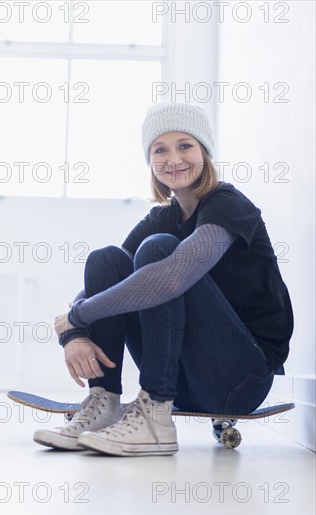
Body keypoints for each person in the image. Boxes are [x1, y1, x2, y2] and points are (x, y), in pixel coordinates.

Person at [34, 101, 294, 456]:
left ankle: (155, 414)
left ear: (205, 152)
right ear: (150, 161)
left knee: (160, 251)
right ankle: (104, 401)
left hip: (240, 379)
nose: (173, 159)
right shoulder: (162, 217)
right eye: (160, 149)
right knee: (106, 259)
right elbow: (105, 281)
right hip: (184, 380)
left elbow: (173, 277)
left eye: (185, 146)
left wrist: (78, 316)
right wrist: (73, 332)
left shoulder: (229, 204)